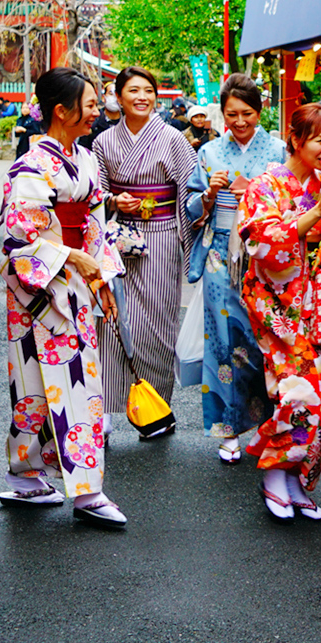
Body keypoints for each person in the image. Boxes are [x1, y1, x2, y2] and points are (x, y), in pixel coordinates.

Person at [0, 68, 129, 528]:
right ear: (61, 111)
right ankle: (58, 484)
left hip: (72, 282)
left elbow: (95, 227)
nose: (98, 112)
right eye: (90, 105)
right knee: (39, 383)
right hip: (39, 289)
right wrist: (76, 257)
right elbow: (20, 239)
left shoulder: (86, 160)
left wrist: (101, 281)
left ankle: (52, 478)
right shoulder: (30, 167)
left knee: (76, 381)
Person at [236, 102, 321, 522]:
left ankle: (295, 475)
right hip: (272, 303)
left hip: (313, 304)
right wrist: (315, 212)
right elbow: (266, 246)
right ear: (296, 139)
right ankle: (274, 472)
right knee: (305, 384)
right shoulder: (266, 184)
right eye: (320, 141)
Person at [182, 74, 284, 462]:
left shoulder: (276, 150)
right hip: (220, 253)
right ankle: (228, 430)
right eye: (231, 114)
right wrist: (209, 193)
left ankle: (268, 425)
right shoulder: (208, 153)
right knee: (223, 341)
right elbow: (191, 208)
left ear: (260, 112)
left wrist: (256, 190)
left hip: (263, 254)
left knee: (265, 341)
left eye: (247, 113)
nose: (240, 122)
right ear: (221, 114)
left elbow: (291, 202)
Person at [91, 65, 198, 425]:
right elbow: (95, 193)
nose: (142, 97)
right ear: (118, 97)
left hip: (163, 234)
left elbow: (191, 189)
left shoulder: (173, 139)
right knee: (112, 319)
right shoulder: (104, 141)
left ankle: (155, 408)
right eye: (133, 91)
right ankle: (106, 407)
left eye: (148, 91)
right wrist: (112, 200)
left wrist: (194, 232)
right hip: (119, 237)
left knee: (159, 321)